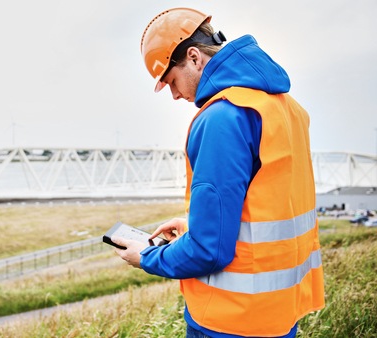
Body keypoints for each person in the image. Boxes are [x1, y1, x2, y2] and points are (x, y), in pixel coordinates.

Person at [112, 7, 325, 338]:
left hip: (228, 322)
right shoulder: (287, 109)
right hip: (279, 316)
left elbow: (209, 250)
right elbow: (269, 209)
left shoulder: (222, 118)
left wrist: (148, 256)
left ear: (195, 58)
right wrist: (191, 226)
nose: (175, 94)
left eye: (171, 80)